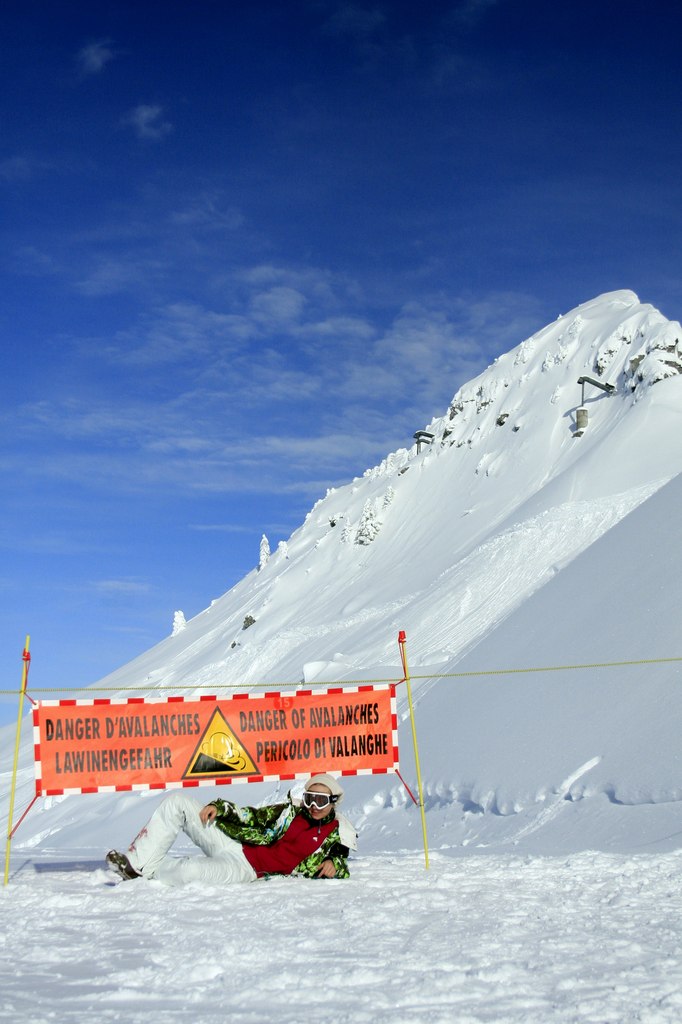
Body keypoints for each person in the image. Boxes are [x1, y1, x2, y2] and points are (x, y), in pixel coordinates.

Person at [106, 774, 357, 886]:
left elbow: (340, 860)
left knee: (189, 870)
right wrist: (220, 808)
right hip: (234, 843)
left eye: (321, 800)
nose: (313, 806)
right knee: (177, 802)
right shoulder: (289, 812)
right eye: (310, 798)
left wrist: (334, 864)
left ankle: (151, 870)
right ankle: (136, 864)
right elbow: (253, 816)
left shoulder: (338, 832)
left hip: (244, 869)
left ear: (334, 801)